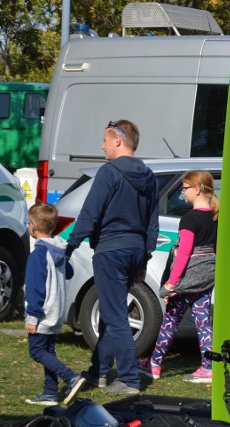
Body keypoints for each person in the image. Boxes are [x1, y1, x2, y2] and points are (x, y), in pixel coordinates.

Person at [66, 119, 159, 395]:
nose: (102, 145)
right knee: (111, 311)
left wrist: (70, 246)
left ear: (118, 140)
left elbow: (90, 213)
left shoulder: (109, 173)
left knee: (115, 313)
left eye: (105, 140)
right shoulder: (150, 176)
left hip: (110, 250)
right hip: (134, 252)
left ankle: (130, 378)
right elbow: (151, 222)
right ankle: (99, 372)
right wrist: (144, 256)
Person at [138, 170, 218, 384]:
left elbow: (184, 253)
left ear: (198, 189)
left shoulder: (190, 218)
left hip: (186, 281)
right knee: (204, 322)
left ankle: (154, 364)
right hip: (206, 278)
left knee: (170, 320)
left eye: (185, 188)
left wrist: (172, 283)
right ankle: (208, 367)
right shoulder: (215, 217)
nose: (182, 193)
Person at [24, 203, 85, 407]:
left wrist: (32, 316)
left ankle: (71, 377)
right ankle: (50, 392)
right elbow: (69, 272)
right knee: (48, 352)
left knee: (37, 351)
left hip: (42, 312)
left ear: (32, 227)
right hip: (56, 310)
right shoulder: (59, 249)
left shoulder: (38, 255)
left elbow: (35, 288)